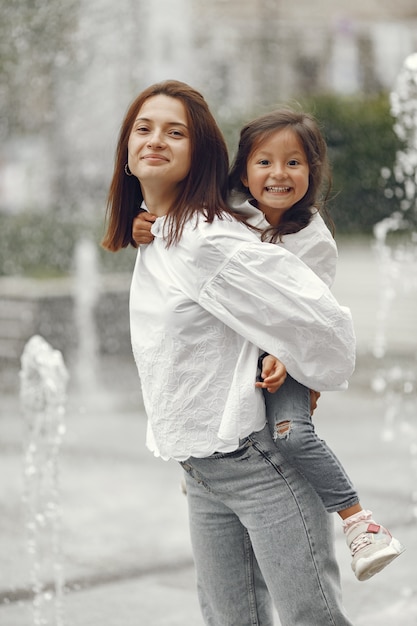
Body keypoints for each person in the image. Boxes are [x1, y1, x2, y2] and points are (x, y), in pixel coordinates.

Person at [102, 79, 357, 625]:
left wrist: (300, 367)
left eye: (176, 132)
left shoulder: (207, 241)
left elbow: (324, 321)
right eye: (143, 128)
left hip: (258, 461)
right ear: (126, 150)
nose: (155, 140)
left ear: (201, 155)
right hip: (202, 468)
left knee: (310, 619)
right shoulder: (166, 233)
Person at [133, 106, 405, 583]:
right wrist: (147, 223)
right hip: (248, 364)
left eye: (294, 163)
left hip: (289, 358)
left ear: (313, 172)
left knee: (293, 434)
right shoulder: (230, 210)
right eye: (264, 162)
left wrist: (282, 355)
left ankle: (361, 524)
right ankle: (204, 470)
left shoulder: (313, 239)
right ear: (243, 169)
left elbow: (308, 317)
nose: (278, 174)